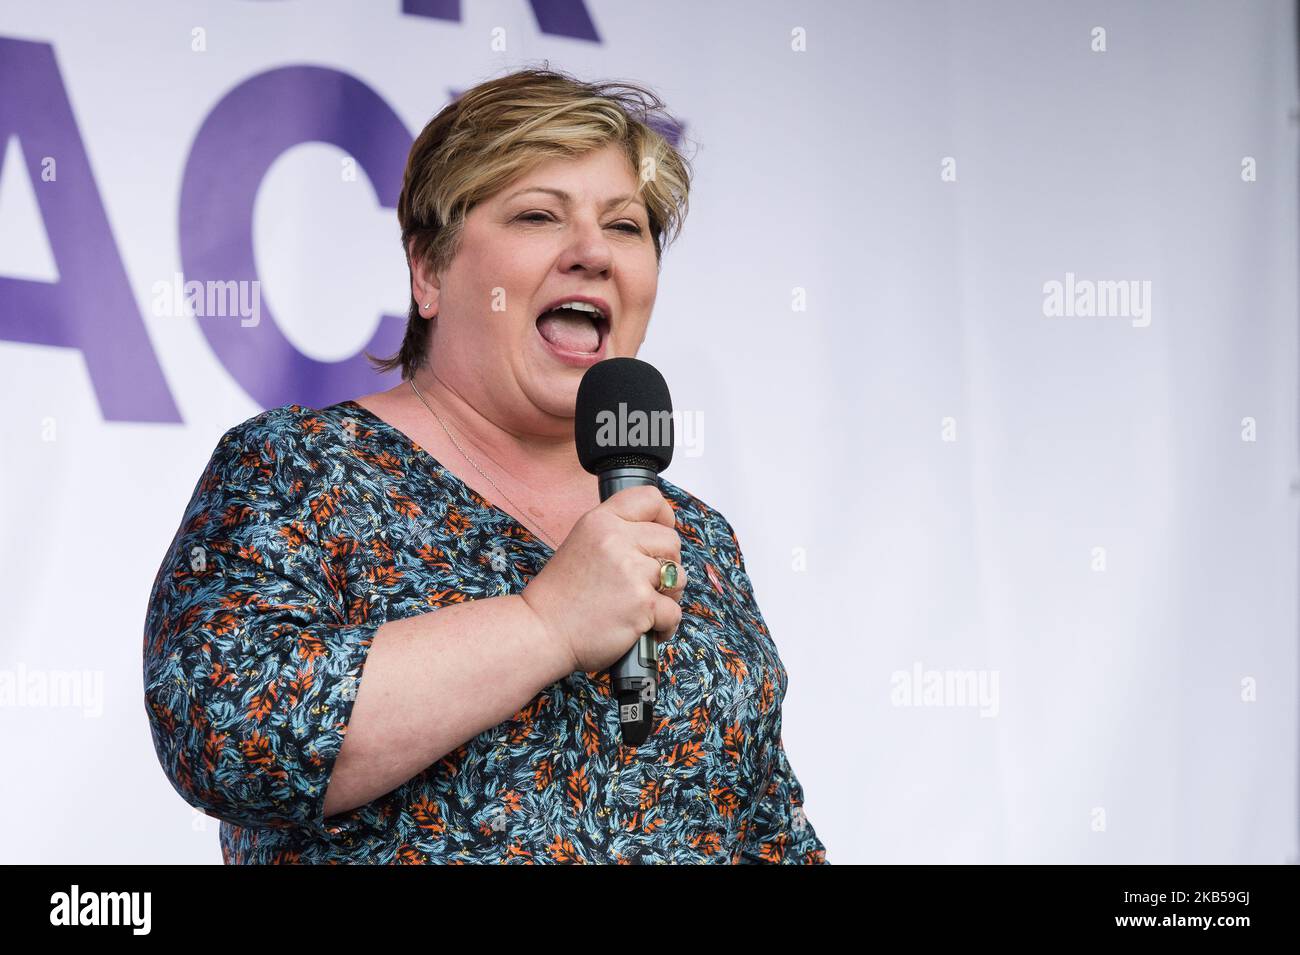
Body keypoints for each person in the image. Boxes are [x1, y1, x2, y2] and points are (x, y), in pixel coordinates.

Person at [142, 67, 828, 864]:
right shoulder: (299, 470)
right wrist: (546, 625)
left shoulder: (691, 536)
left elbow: (769, 827)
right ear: (429, 270)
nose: (592, 254)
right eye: (539, 215)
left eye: (627, 226)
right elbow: (226, 732)